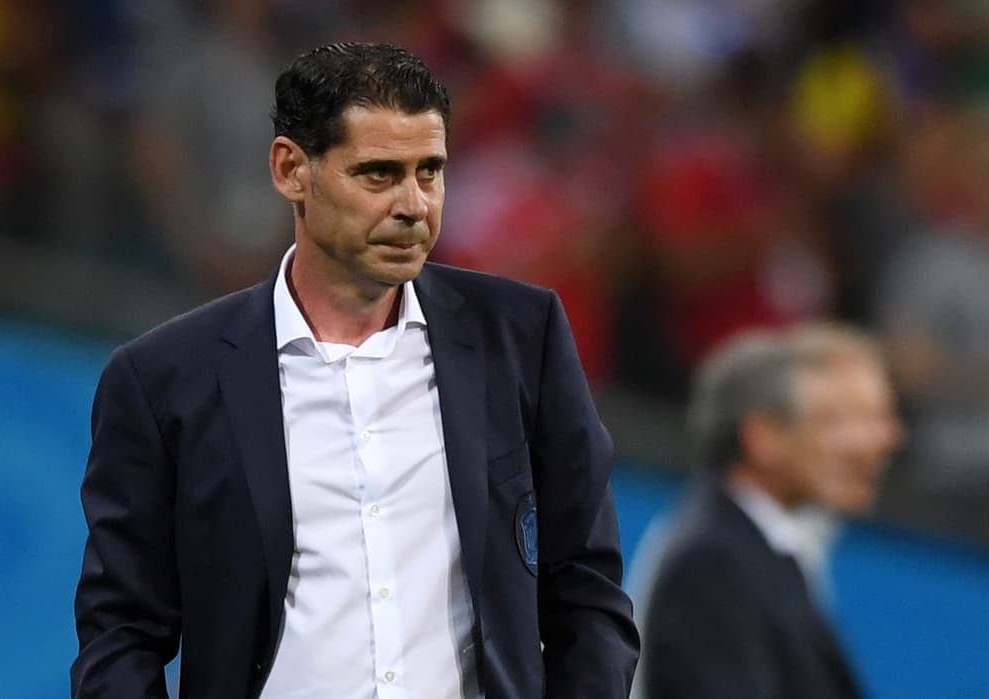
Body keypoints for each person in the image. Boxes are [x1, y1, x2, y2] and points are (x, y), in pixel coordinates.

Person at [70, 42, 639, 698]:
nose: (413, 205)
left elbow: (588, 589)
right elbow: (121, 633)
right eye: (378, 174)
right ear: (291, 169)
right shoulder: (163, 379)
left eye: (430, 171)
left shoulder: (522, 337)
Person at [635, 324, 903, 699]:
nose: (876, 441)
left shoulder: (765, 553)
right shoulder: (713, 561)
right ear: (764, 437)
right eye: (831, 421)